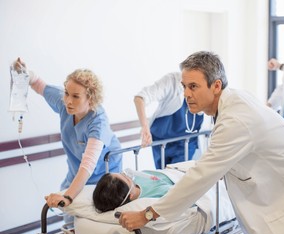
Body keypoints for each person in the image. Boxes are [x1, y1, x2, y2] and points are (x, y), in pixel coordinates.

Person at [116, 51, 284, 234]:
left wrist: (147, 215)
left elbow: (202, 175)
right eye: (184, 86)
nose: (186, 94)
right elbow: (212, 162)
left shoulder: (234, 120)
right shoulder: (232, 102)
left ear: (216, 85)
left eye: (193, 86)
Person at [13, 58, 122, 213]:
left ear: (90, 99)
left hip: (104, 177)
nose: (68, 101)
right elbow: (38, 84)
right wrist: (24, 73)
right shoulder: (65, 103)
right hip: (76, 171)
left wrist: (69, 197)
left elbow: (88, 164)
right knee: (68, 213)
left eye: (76, 96)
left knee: (90, 213)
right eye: (66, 93)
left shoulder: (98, 123)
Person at [134, 72, 209, 169]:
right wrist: (144, 126)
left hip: (186, 142)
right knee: (162, 177)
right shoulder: (172, 81)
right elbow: (139, 98)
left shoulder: (207, 87)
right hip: (160, 140)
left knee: (176, 177)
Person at [93, 169, 173, 212]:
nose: (126, 174)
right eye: (126, 178)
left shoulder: (137, 178)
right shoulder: (154, 196)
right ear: (130, 195)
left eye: (121, 173)